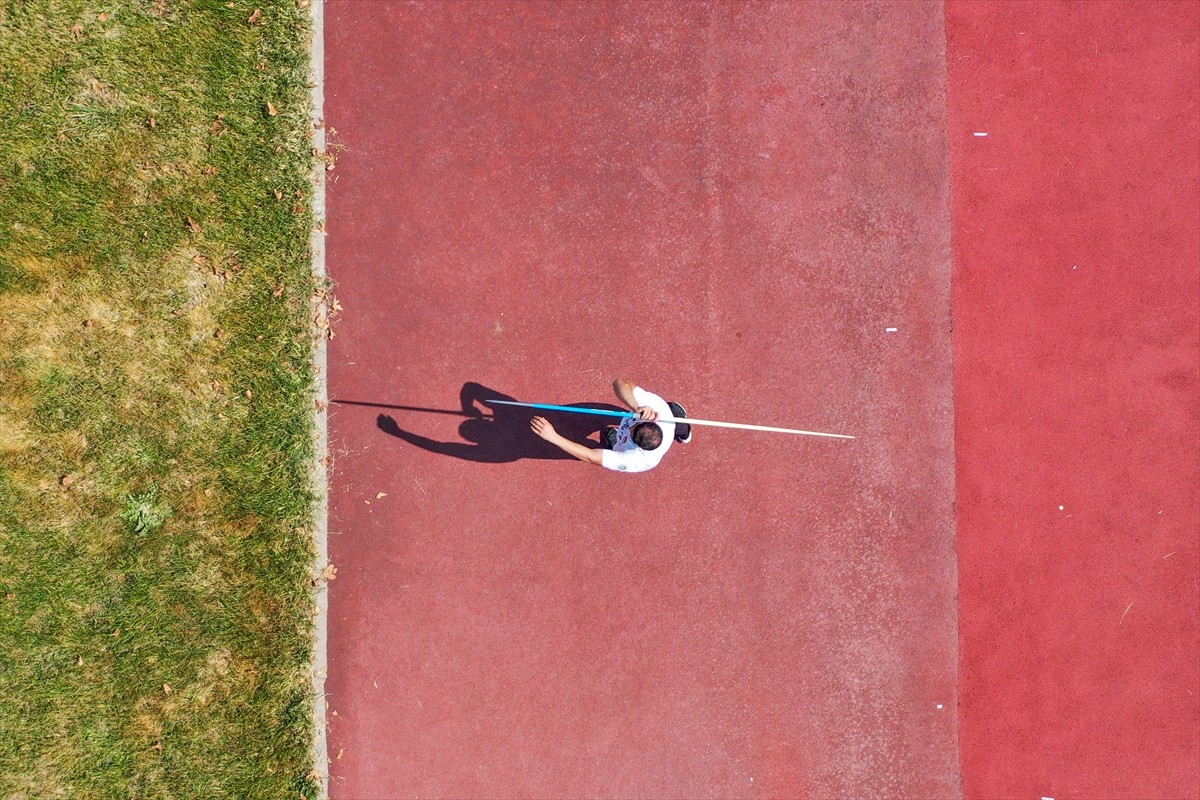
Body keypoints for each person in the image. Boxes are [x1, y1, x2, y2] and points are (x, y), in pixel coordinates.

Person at [530, 378, 691, 472]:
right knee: (672, 415)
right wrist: (636, 407)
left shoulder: (638, 460)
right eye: (636, 423)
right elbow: (620, 383)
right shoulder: (657, 408)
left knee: (618, 447)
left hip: (629, 449)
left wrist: (553, 437)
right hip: (665, 419)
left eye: (630, 430)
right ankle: (683, 430)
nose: (628, 426)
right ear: (650, 420)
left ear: (635, 443)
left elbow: (590, 456)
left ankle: (616, 445)